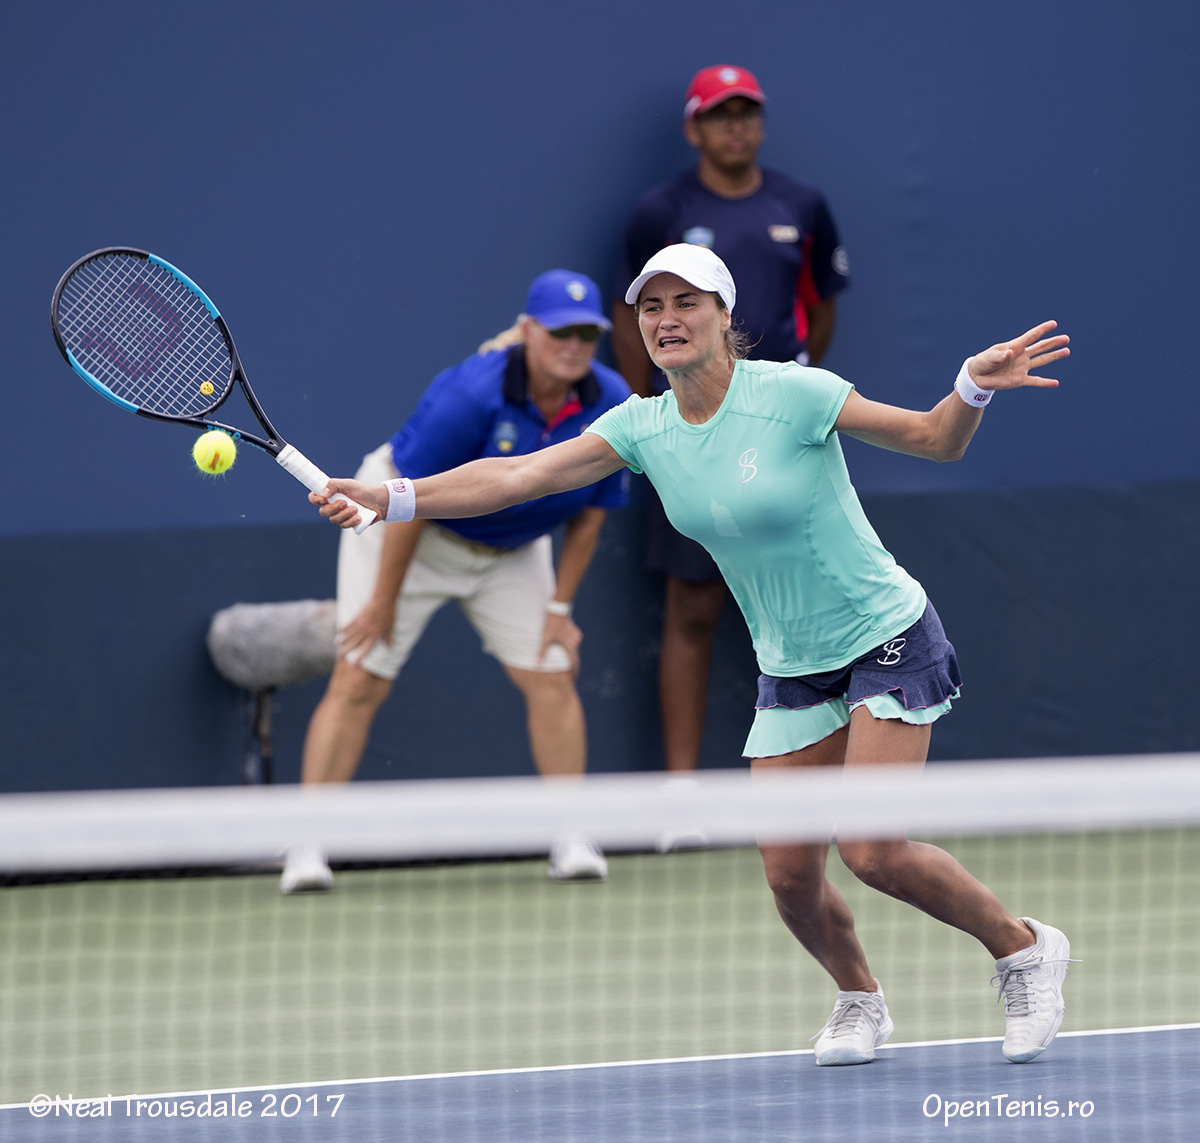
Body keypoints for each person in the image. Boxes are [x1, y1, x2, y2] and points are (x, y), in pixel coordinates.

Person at [309, 243, 1074, 1067]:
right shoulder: (641, 426)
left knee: (873, 850)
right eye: (651, 307)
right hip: (791, 662)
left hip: (883, 634)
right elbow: (518, 477)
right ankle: (860, 997)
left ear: (723, 316)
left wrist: (969, 387)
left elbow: (933, 439)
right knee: (789, 878)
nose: (666, 320)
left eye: (686, 303)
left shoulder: (793, 393)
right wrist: (388, 496)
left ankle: (1023, 950)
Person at [280, 269, 631, 894]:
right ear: (528, 331)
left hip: (513, 549)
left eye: (587, 334)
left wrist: (559, 608)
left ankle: (571, 836)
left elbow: (593, 512)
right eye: (560, 332)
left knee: (552, 672)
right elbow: (408, 502)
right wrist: (382, 602)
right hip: (406, 525)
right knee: (359, 677)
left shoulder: (611, 399)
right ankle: (307, 846)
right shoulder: (470, 394)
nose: (574, 346)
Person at [611, 65, 852, 773]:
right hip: (693, 431)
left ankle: (835, 783)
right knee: (691, 606)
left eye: (746, 112)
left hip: (782, 432)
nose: (736, 126)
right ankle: (683, 796)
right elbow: (630, 321)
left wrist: (777, 394)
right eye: (720, 114)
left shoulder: (803, 204)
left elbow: (821, 309)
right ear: (694, 129)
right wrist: (670, 410)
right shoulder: (659, 210)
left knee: (811, 602)